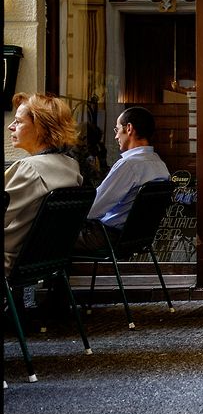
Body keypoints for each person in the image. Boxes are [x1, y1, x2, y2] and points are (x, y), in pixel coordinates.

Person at [4, 92, 83, 276]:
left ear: (40, 127)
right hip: (44, 260)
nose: (10, 126)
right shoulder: (72, 166)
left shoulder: (29, 169)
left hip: (12, 259)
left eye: (18, 121)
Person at [76, 106, 171, 251]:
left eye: (117, 130)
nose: (116, 136)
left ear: (129, 128)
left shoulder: (129, 165)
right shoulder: (160, 165)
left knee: (49, 238)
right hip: (137, 238)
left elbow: (93, 209)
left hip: (108, 237)